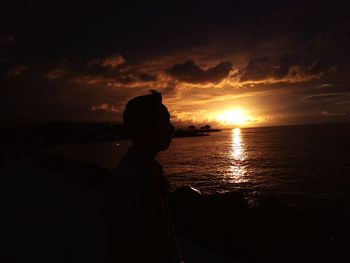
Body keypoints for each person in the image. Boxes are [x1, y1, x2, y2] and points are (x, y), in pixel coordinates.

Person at [105, 90, 182, 263]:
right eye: (164, 122)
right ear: (145, 130)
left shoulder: (146, 171)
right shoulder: (131, 182)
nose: (172, 127)